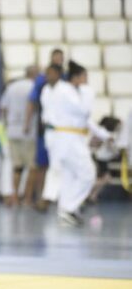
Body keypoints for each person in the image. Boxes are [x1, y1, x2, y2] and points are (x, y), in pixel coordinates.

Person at [41, 62, 108, 226]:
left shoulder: (72, 91)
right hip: (67, 138)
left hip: (71, 138)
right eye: (85, 77)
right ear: (76, 77)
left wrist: (104, 135)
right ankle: (68, 208)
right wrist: (88, 92)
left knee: (70, 176)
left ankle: (66, 210)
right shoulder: (65, 90)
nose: (87, 81)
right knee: (88, 174)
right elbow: (84, 111)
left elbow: (86, 121)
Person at [25, 48, 64, 211]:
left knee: (61, 165)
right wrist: (26, 123)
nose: (58, 60)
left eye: (60, 58)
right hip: (45, 131)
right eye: (56, 58)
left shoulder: (67, 81)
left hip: (64, 131)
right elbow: (32, 102)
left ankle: (58, 197)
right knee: (42, 164)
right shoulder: (42, 82)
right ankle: (41, 195)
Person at [0, 66, 39, 207]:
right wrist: (27, 125)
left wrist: (7, 124)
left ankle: (15, 196)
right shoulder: (34, 87)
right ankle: (27, 199)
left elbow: (3, 107)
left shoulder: (12, 87)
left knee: (17, 166)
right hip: (29, 131)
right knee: (32, 166)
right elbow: (33, 106)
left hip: (12, 130)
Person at [89, 116, 121, 203]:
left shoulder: (106, 133)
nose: (119, 128)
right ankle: (89, 192)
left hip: (102, 158)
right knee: (106, 178)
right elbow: (111, 148)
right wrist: (116, 151)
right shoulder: (106, 134)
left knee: (103, 178)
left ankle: (92, 195)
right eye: (118, 126)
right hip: (101, 158)